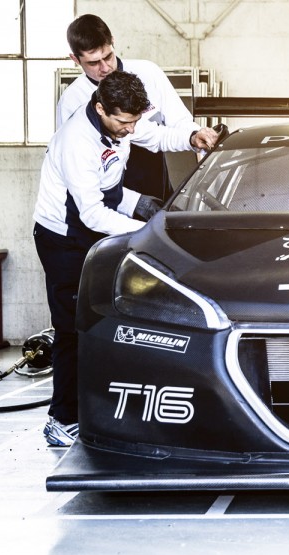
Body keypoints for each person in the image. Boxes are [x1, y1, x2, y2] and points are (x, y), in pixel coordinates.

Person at [34, 70, 216, 447]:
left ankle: (101, 410)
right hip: (63, 238)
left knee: (109, 323)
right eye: (125, 122)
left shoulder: (121, 122)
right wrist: (145, 234)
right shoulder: (76, 141)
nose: (131, 130)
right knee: (72, 329)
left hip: (95, 223)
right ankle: (61, 419)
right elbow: (91, 212)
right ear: (101, 109)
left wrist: (146, 203)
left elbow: (135, 160)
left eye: (135, 121)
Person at [57, 14, 218, 201]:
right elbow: (72, 165)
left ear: (113, 42)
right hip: (106, 200)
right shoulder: (73, 100)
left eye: (108, 56)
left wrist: (199, 137)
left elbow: (181, 121)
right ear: (75, 59)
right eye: (93, 63)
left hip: (157, 191)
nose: (105, 68)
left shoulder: (149, 73)